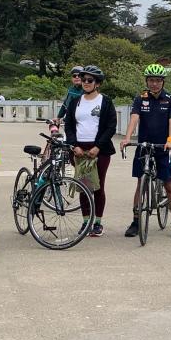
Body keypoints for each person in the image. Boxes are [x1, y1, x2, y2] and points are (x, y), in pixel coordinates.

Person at [120, 64, 171, 239]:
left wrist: (170, 140)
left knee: (169, 185)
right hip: (144, 146)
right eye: (151, 80)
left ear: (163, 82)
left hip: (163, 147)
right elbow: (134, 118)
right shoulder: (140, 98)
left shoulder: (170, 99)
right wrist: (127, 138)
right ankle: (135, 221)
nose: (154, 84)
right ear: (147, 81)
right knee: (140, 184)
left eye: (158, 80)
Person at [62, 64, 117, 236]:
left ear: (97, 83)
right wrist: (74, 145)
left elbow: (111, 126)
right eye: (83, 79)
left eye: (90, 80)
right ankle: (86, 221)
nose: (85, 82)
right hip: (79, 149)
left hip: (100, 150)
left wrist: (98, 146)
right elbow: (69, 125)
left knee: (98, 186)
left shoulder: (105, 102)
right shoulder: (76, 102)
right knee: (83, 185)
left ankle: (98, 222)